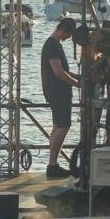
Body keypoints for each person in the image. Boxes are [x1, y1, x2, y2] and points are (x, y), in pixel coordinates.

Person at [41, 17, 79, 178]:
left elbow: (63, 70)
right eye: (69, 34)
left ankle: (53, 163)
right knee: (64, 125)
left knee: (58, 125)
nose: (69, 38)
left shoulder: (54, 44)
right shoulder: (52, 45)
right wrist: (77, 84)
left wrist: (76, 77)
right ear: (64, 30)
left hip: (55, 91)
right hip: (58, 92)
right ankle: (52, 164)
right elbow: (58, 72)